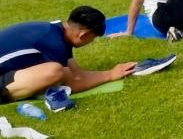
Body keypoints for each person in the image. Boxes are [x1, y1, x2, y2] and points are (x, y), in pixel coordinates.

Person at [0, 6, 135, 103]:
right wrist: (110, 74)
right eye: (92, 38)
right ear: (83, 35)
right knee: (54, 71)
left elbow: (76, 74)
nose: (91, 42)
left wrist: (107, 74)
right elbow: (73, 83)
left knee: (59, 72)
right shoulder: (54, 42)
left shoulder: (57, 30)